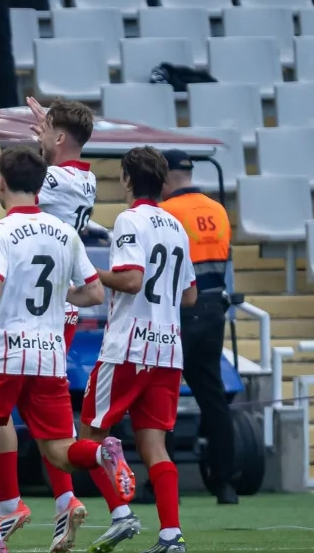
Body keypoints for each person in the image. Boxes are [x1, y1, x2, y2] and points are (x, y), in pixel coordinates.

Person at [0, 142, 132, 553]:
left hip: (1, 354)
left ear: (1, 182)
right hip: (49, 355)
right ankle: (102, 453)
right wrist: (60, 296)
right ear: (39, 186)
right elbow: (94, 294)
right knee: (60, 451)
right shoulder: (65, 233)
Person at [0, 93, 99, 551]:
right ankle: (64, 500)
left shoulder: (54, 180)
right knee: (43, 418)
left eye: (47, 129)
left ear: (62, 137)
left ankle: (12, 503)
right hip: (58, 309)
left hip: (31, 312)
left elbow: (5, 186)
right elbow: (43, 164)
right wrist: (46, 138)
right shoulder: (84, 178)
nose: (40, 134)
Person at [80, 146, 198, 553]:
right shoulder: (176, 226)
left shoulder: (129, 220)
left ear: (127, 179)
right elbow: (190, 296)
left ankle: (121, 514)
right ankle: (171, 535)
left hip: (129, 346)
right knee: (155, 445)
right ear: (163, 181)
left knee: (91, 436)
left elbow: (131, 280)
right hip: (168, 350)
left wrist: (89, 272)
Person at [158, 150, 237, 506]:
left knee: (164, 395)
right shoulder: (218, 210)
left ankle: (163, 482)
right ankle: (225, 484)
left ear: (165, 176)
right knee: (213, 396)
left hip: (180, 309)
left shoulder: (167, 212)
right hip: (214, 310)